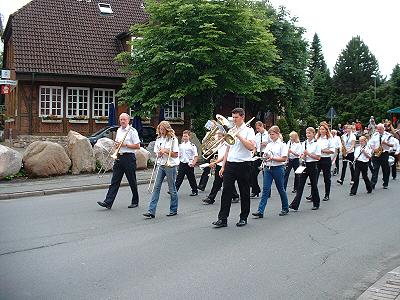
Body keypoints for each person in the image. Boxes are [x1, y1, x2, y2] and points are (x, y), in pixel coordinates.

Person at [212, 108, 256, 228]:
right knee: (226, 191)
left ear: (242, 117)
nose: (234, 120)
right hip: (230, 164)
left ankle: (243, 217)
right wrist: (223, 166)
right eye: (233, 118)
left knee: (244, 191)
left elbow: (251, 147)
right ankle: (222, 219)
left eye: (236, 117)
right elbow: (227, 149)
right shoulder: (231, 130)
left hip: (244, 164)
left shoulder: (249, 130)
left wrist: (240, 136)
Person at [97, 113, 141, 209]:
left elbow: (138, 146)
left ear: (128, 120)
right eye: (121, 119)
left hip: (129, 158)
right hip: (119, 157)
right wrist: (117, 145)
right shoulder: (119, 130)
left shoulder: (132, 131)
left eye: (124, 119)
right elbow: (117, 144)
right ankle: (108, 202)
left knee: (132, 181)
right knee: (114, 181)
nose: (122, 121)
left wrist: (125, 145)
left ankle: (135, 200)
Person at [143, 121, 180, 218]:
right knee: (156, 187)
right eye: (160, 129)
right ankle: (151, 211)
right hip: (161, 164)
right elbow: (156, 152)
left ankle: (173, 209)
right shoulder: (159, 139)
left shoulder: (173, 139)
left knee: (172, 188)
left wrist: (167, 151)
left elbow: (176, 154)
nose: (162, 131)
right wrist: (159, 153)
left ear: (167, 129)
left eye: (163, 129)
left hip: (170, 165)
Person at [252, 125, 289, 218]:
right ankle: (260, 211)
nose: (271, 136)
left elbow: (284, 158)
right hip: (268, 168)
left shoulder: (282, 145)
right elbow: (266, 155)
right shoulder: (269, 144)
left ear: (277, 134)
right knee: (265, 190)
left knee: (281, 189)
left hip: (278, 168)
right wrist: (265, 156)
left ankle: (285, 207)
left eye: (272, 134)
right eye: (270, 135)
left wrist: (272, 158)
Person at [289, 127, 321, 211]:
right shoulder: (304, 143)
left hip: (313, 165)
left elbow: (318, 157)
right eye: (307, 133)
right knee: (300, 185)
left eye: (309, 133)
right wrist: (303, 156)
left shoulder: (316, 144)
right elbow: (302, 155)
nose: (308, 135)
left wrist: (309, 154)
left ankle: (316, 203)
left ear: (313, 134)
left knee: (314, 185)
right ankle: (295, 204)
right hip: (304, 165)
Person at [202, 132, 240, 205]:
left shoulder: (226, 144)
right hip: (219, 164)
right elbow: (215, 153)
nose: (219, 138)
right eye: (218, 136)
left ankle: (212, 198)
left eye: (220, 136)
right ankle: (211, 198)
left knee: (224, 182)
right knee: (217, 182)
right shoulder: (220, 144)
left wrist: (215, 162)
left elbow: (224, 156)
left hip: (225, 165)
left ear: (224, 137)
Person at [368, 123, 394, 189]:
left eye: (380, 129)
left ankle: (385, 183)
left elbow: (392, 145)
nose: (378, 130)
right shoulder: (375, 134)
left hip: (384, 154)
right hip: (376, 154)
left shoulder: (389, 135)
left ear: (383, 129)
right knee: (375, 169)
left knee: (385, 169)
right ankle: (372, 184)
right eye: (378, 129)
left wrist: (385, 143)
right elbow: (370, 143)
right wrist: (374, 149)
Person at [315, 122, 334, 201]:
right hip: (318, 159)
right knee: (314, 177)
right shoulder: (317, 138)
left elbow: (332, 150)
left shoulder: (329, 139)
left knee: (326, 178)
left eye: (323, 129)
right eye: (320, 129)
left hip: (326, 159)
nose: (321, 130)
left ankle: (327, 194)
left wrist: (323, 150)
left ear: (326, 130)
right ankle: (313, 194)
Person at [175, 130, 199, 196]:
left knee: (191, 178)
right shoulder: (181, 145)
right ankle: (175, 190)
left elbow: (195, 155)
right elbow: (179, 154)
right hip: (182, 163)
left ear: (189, 137)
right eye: (184, 136)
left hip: (189, 164)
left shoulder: (192, 145)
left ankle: (195, 190)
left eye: (186, 136)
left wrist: (194, 163)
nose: (185, 137)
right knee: (179, 177)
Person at [250, 121, 269, 197]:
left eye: (258, 128)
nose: (257, 130)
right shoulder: (257, 135)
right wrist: (253, 152)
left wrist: (266, 144)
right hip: (258, 154)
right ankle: (255, 190)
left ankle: (267, 192)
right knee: (252, 173)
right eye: (256, 128)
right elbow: (255, 145)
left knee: (266, 175)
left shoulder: (268, 135)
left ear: (262, 126)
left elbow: (272, 144)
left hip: (265, 154)